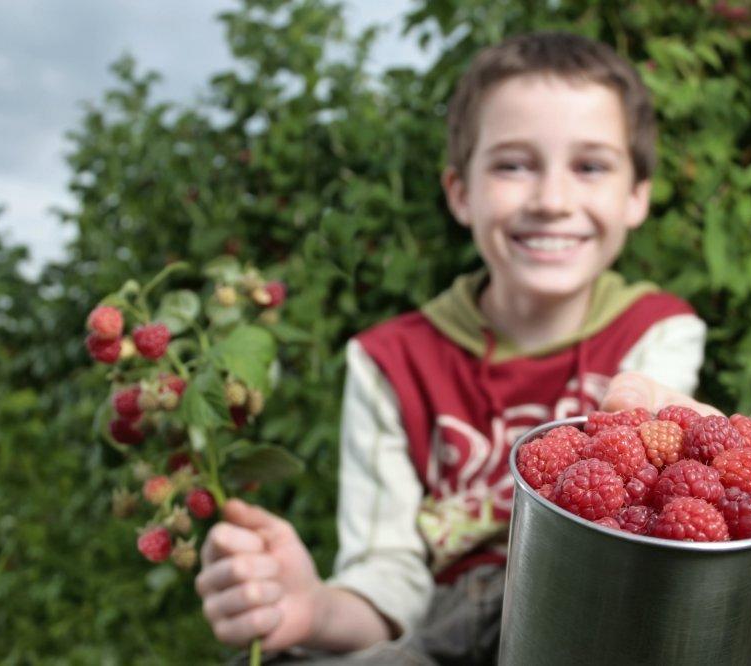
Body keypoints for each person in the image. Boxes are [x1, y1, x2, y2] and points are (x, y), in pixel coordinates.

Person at [196, 31, 718, 664]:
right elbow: (390, 582)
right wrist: (316, 609)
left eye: (590, 166)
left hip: (594, 611)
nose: (552, 201)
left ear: (637, 195)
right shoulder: (392, 361)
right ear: (459, 192)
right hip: (440, 634)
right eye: (513, 164)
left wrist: (694, 456)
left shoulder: (656, 332)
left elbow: (649, 525)